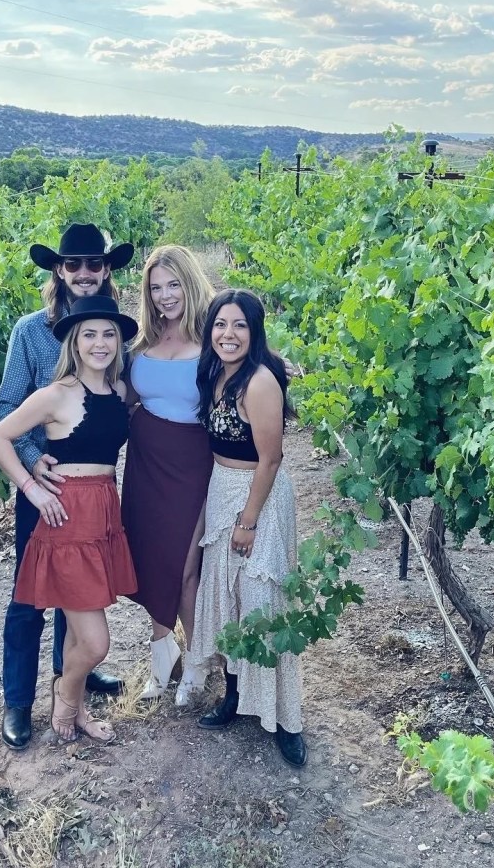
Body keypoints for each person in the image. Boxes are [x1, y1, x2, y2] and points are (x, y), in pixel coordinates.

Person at [0, 224, 130, 751]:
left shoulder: (113, 335)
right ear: (59, 269)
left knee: (79, 592)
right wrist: (35, 467)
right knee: (29, 596)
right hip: (46, 481)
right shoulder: (29, 331)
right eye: (74, 264)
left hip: (95, 494)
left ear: (106, 270)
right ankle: (19, 700)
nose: (84, 272)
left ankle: (72, 679)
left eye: (94, 264)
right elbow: (8, 408)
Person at [191, 289, 307, 767]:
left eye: (239, 325)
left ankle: (287, 720)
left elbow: (271, 458)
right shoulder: (215, 373)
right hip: (222, 487)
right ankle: (235, 697)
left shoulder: (259, 382)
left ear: (254, 331)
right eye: (220, 324)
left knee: (263, 601)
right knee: (228, 598)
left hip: (258, 495)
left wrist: (249, 520)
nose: (228, 334)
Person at [121, 245, 216, 703]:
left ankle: (198, 661)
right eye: (156, 287)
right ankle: (163, 653)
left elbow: (251, 362)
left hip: (193, 464)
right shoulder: (140, 344)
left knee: (185, 568)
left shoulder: (213, 338)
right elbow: (124, 400)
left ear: (190, 283)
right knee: (150, 559)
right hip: (145, 465)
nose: (165, 295)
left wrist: (278, 366)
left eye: (173, 284)